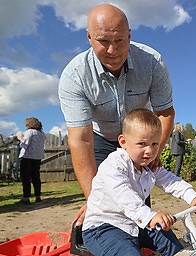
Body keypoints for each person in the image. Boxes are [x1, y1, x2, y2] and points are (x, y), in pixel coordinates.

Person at [58, 4, 175, 227]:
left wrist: (154, 149)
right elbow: (81, 139)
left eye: (120, 40)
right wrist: (94, 199)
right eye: (103, 41)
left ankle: (143, 246)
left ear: (129, 36)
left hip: (138, 137)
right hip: (100, 138)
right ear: (89, 37)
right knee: (105, 203)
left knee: (137, 199)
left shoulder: (151, 62)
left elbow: (164, 112)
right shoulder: (74, 76)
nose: (113, 50)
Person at [82, 109, 196, 256]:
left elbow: (170, 181)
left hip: (134, 224)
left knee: (169, 239)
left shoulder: (149, 166)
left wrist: (192, 196)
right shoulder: (114, 164)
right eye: (142, 144)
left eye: (154, 144)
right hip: (104, 227)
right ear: (123, 142)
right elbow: (123, 194)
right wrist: (150, 216)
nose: (149, 151)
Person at [17, 117, 46, 204]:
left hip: (27, 157)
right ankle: (38, 196)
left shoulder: (29, 132)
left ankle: (26, 198)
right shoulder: (42, 133)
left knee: (26, 178)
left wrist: (20, 139)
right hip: (37, 157)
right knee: (36, 177)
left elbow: (25, 144)